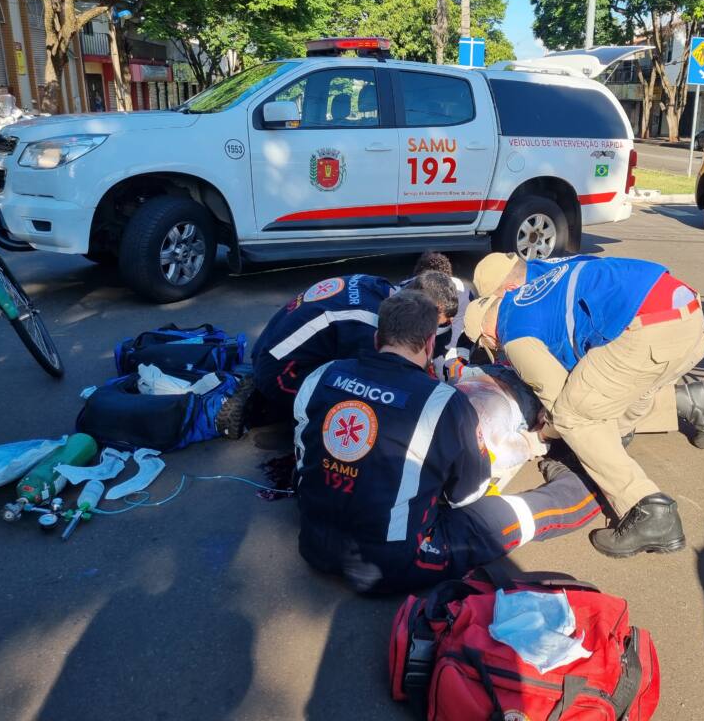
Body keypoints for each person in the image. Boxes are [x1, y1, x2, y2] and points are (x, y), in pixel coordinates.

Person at [293, 290, 601, 594]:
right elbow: (467, 495)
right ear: (429, 344)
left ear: (378, 338)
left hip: (313, 545)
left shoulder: (324, 374)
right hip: (393, 565)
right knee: (516, 515)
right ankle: (591, 486)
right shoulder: (443, 403)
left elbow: (305, 457)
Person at [464, 255, 704, 559]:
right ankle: (617, 441)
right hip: (688, 316)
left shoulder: (513, 335)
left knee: (572, 415)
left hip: (647, 330)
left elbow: (561, 405)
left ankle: (647, 510)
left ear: (488, 336)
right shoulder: (537, 279)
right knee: (614, 390)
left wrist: (541, 437)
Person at [472, 252, 704, 448]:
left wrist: (549, 427)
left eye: (495, 301)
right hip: (672, 308)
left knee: (582, 406)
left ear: (510, 289)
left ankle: (676, 407)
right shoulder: (547, 269)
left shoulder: (530, 300)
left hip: (643, 327)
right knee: (614, 392)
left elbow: (564, 381)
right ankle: (688, 400)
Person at [219, 268, 459, 438]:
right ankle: (263, 409)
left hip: (267, 347)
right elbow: (378, 378)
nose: (432, 330)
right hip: (279, 374)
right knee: (356, 396)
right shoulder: (372, 323)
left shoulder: (376, 285)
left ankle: (265, 394)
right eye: (434, 323)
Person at [403, 251, 473, 380]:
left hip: (445, 339)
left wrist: (454, 356)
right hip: (417, 337)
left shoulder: (462, 294)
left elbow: (460, 333)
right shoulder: (403, 295)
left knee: (446, 373)